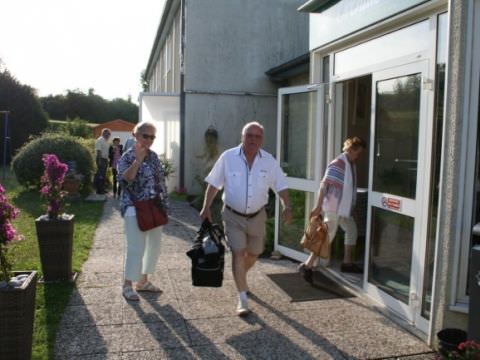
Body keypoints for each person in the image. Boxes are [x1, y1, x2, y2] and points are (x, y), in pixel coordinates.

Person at [200, 121, 292, 316]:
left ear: (262, 140)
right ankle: (242, 298)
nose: (253, 139)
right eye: (249, 135)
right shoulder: (228, 157)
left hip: (257, 216)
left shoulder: (268, 161)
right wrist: (206, 206)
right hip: (233, 215)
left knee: (255, 253)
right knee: (238, 253)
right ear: (242, 137)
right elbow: (214, 183)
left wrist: (287, 205)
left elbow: (281, 185)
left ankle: (240, 274)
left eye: (257, 136)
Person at [298, 136, 367, 283]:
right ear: (349, 149)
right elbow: (324, 185)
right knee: (326, 237)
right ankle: (306, 266)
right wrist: (318, 206)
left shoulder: (350, 165)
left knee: (351, 229)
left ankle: (347, 263)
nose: (358, 156)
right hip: (334, 207)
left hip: (343, 208)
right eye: (357, 152)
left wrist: (351, 207)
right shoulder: (338, 164)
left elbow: (349, 189)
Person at [117, 122, 169, 301]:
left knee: (154, 246)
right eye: (145, 135)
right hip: (134, 207)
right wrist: (137, 161)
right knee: (136, 247)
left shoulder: (154, 157)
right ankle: (127, 285)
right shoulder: (126, 157)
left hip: (154, 207)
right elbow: (125, 181)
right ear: (135, 135)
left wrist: (165, 206)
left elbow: (160, 183)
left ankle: (143, 282)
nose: (149, 140)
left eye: (152, 137)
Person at [94, 128, 111, 194]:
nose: (108, 135)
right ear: (103, 133)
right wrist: (99, 160)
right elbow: (99, 151)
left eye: (109, 134)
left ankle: (102, 189)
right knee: (100, 175)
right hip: (100, 159)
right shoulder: (100, 140)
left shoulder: (107, 141)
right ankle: (99, 190)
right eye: (107, 134)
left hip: (105, 159)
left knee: (103, 175)